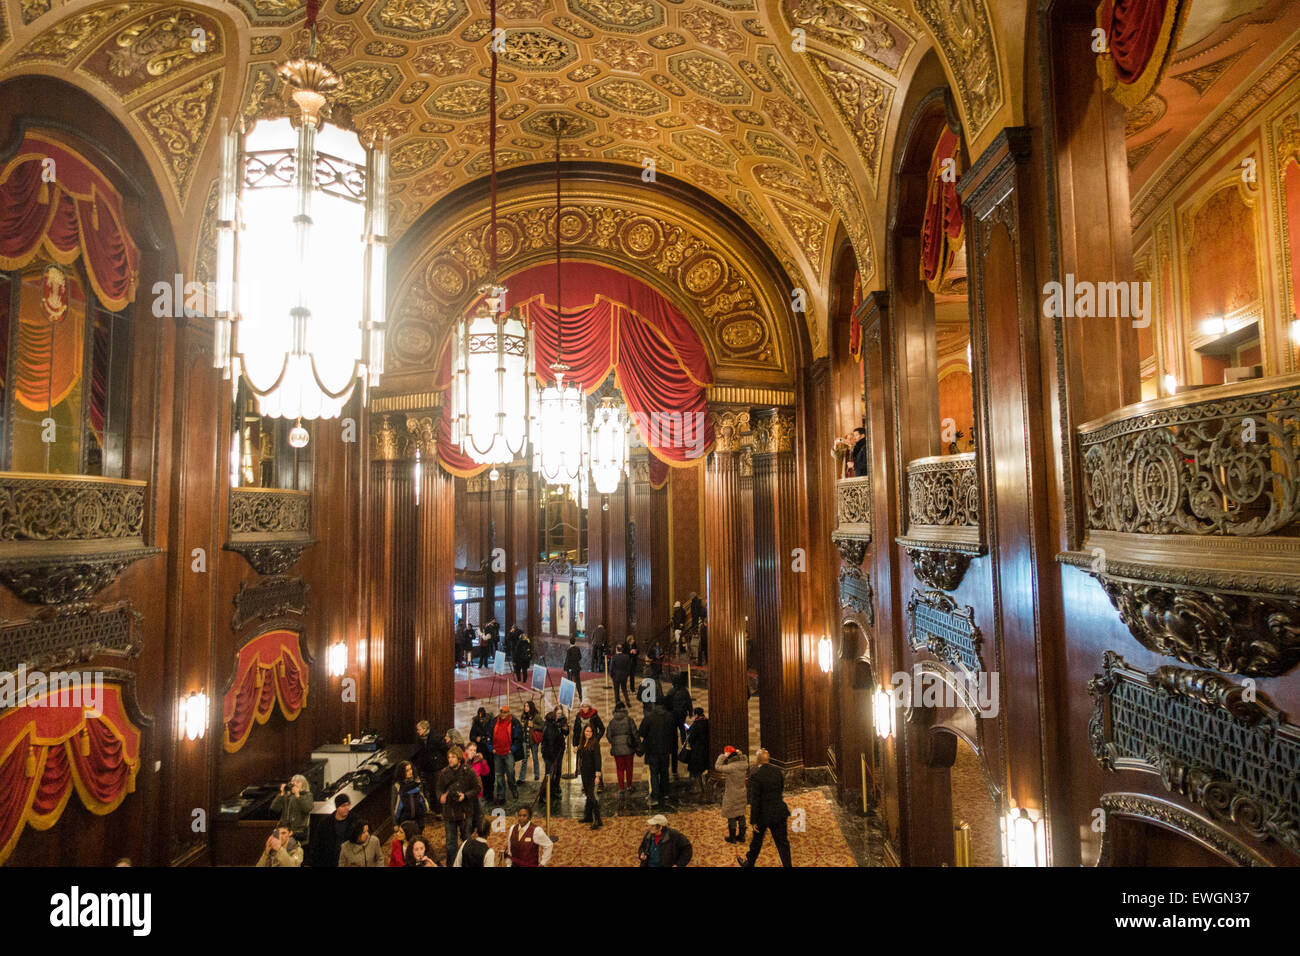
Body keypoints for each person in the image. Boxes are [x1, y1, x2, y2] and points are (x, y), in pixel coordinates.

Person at [738, 748, 792, 868]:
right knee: (783, 843)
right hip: (779, 812)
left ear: (758, 761)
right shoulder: (778, 771)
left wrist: (753, 820)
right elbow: (781, 788)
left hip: (763, 815)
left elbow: (755, 800)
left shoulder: (756, 775)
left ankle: (749, 863)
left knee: (756, 842)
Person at [436, 745, 481, 867]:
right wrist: (441, 797)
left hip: (465, 812)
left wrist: (465, 796)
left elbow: (477, 788)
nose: (450, 759)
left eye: (453, 757)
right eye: (449, 757)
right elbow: (439, 789)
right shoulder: (444, 773)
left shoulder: (469, 771)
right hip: (449, 813)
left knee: (467, 841)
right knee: (451, 843)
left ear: (459, 758)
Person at [638, 699, 676, 809]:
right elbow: (674, 733)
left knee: (654, 773)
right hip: (665, 751)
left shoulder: (649, 717)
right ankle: (664, 793)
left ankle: (655, 795)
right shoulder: (669, 717)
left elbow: (641, 732)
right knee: (664, 772)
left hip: (652, 750)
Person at [714, 746, 749, 843]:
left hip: (732, 794)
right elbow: (744, 758)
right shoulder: (744, 764)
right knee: (741, 814)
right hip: (742, 793)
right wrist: (740, 753)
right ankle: (742, 837)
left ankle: (732, 838)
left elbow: (717, 766)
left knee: (731, 815)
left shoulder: (731, 767)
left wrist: (723, 756)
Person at [270, 774, 313, 852]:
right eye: (293, 781)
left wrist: (297, 795)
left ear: (303, 784)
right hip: (283, 831)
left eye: (297, 782)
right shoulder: (287, 796)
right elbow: (274, 808)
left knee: (294, 856)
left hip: (298, 831)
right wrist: (282, 794)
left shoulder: (307, 795)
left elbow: (307, 808)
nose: (294, 783)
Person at [490, 704, 524, 803]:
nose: (503, 714)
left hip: (508, 753)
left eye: (505, 712)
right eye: (501, 712)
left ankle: (513, 789)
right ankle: (501, 795)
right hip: (497, 753)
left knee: (510, 773)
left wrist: (512, 749)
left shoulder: (514, 722)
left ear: (509, 713)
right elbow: (488, 735)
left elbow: (518, 738)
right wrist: (491, 748)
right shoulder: (494, 722)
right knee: (499, 775)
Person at [310, 792, 352, 868]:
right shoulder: (325, 823)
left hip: (348, 860)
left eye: (348, 805)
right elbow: (317, 844)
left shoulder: (354, 821)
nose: (347, 808)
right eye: (343, 806)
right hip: (329, 860)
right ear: (337, 807)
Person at [606, 701, 640, 794]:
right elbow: (635, 733)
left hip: (617, 750)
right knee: (629, 768)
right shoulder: (629, 720)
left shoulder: (612, 722)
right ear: (624, 709)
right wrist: (638, 744)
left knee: (619, 769)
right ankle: (629, 786)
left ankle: (621, 788)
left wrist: (614, 742)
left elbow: (608, 735)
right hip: (629, 748)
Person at [575, 723, 603, 829]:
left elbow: (598, 759)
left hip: (592, 773)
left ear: (593, 733)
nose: (588, 733)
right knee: (588, 794)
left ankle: (598, 819)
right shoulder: (582, 742)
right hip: (584, 772)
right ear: (584, 732)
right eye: (587, 731)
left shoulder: (595, 743)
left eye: (590, 731)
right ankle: (588, 816)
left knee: (592, 795)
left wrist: (597, 775)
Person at [664, 672, 692, 778]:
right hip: (682, 714)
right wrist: (690, 712)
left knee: (674, 733)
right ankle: (685, 743)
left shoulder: (671, 691)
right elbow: (689, 702)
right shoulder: (685, 691)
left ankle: (674, 769)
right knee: (683, 727)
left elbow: (667, 704)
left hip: (673, 715)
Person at [539, 707, 567, 802]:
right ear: (554, 713)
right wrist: (552, 757)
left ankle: (554, 791)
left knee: (557, 772)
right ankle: (543, 795)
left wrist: (565, 727)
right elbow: (550, 742)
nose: (559, 715)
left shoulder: (560, 721)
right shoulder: (550, 724)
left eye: (561, 713)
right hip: (550, 753)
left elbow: (565, 733)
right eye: (558, 713)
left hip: (558, 751)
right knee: (549, 774)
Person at [391, 760, 429, 829]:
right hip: (405, 820)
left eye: (410, 769)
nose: (410, 772)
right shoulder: (397, 786)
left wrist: (424, 810)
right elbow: (393, 806)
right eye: (407, 770)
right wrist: (395, 823)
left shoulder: (417, 782)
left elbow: (422, 796)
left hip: (419, 817)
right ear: (402, 772)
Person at [468, 706, 495, 801]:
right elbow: (471, 736)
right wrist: (476, 738)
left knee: (490, 774)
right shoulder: (475, 724)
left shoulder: (490, 723)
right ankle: (484, 792)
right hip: (480, 751)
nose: (481, 720)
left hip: (488, 752)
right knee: (482, 774)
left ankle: (490, 793)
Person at [684, 707, 710, 800]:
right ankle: (705, 786)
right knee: (703, 767)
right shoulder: (707, 722)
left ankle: (699, 788)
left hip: (697, 750)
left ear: (696, 714)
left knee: (696, 769)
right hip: (706, 748)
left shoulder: (696, 724)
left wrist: (687, 729)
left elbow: (691, 737)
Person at [464, 743, 492, 823]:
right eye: (470, 750)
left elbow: (486, 772)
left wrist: (483, 761)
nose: (473, 752)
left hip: (477, 790)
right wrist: (467, 761)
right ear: (466, 750)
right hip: (466, 791)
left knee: (479, 811)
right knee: (468, 813)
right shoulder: (462, 759)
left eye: (474, 750)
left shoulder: (478, 760)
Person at [519, 700, 544, 783]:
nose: (525, 708)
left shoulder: (536, 716)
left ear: (531, 707)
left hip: (533, 740)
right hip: (525, 740)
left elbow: (542, 726)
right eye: (525, 706)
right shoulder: (523, 716)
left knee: (535, 758)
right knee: (524, 759)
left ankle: (537, 775)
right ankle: (522, 778)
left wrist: (534, 725)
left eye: (527, 706)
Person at [609, 642, 632, 707]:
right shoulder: (627, 657)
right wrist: (627, 675)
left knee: (616, 690)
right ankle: (628, 702)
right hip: (624, 676)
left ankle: (617, 702)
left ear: (616, 649)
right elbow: (628, 668)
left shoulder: (614, 657)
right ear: (622, 650)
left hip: (616, 677)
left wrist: (612, 676)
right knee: (624, 690)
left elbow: (611, 668)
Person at [563, 635, 583, 701]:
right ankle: (580, 695)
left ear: (570, 642)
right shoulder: (577, 649)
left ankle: (569, 695)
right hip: (577, 667)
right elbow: (580, 657)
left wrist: (565, 668)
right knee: (578, 682)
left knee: (570, 681)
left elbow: (567, 660)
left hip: (570, 668)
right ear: (575, 642)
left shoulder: (569, 650)